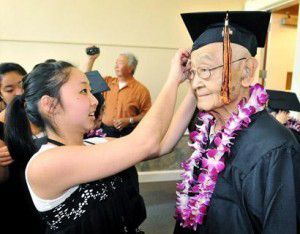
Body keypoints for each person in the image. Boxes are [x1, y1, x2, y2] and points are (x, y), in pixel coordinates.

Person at [5, 49, 190, 233]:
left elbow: (161, 145)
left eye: (91, 91)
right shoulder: (45, 163)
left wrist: (194, 91)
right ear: (49, 104)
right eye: (83, 91)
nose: (94, 100)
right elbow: (145, 143)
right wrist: (173, 79)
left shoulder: (97, 143)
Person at [153, 11, 300, 233]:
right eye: (193, 73)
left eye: (205, 69)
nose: (196, 83)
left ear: (247, 71)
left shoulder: (275, 148)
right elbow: (160, 143)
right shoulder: (206, 129)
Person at [85, 49, 152, 228]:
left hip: (125, 135)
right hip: (104, 133)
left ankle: (132, 211)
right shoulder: (108, 82)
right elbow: (88, 76)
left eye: (120, 62)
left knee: (127, 174)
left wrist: (129, 120)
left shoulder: (141, 90)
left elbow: (148, 114)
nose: (115, 65)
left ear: (130, 67)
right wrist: (91, 59)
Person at [0, 62, 45, 232]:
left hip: (45, 199)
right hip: (16, 205)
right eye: (9, 90)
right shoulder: (0, 125)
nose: (19, 93)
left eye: (22, 85)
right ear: (0, 93)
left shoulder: (43, 118)